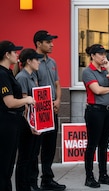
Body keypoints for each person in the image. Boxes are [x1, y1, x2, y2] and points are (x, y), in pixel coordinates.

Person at [31, 30, 66, 191]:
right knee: (34, 148)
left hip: (52, 109)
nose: (52, 44)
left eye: (52, 41)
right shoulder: (31, 61)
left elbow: (57, 84)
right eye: (48, 42)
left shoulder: (52, 62)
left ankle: (47, 179)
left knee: (50, 147)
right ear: (39, 44)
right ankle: (32, 181)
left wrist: (58, 100)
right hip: (37, 111)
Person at [82, 44, 109, 188]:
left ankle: (103, 175)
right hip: (95, 111)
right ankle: (89, 177)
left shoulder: (105, 70)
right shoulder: (88, 71)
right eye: (100, 54)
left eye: (104, 53)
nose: (103, 56)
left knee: (104, 144)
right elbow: (97, 90)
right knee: (92, 144)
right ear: (93, 56)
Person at [0, 40, 34, 191]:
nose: (17, 54)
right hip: (6, 122)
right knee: (4, 166)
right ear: (7, 54)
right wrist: (26, 99)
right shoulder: (1, 74)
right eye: (14, 52)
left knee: (8, 167)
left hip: (13, 122)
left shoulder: (7, 73)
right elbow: (9, 102)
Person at [15, 48, 44, 191]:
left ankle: (32, 183)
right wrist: (31, 124)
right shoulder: (22, 77)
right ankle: (23, 186)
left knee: (33, 155)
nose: (39, 61)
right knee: (25, 158)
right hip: (26, 124)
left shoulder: (33, 76)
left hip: (34, 123)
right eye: (36, 59)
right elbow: (25, 104)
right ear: (28, 61)